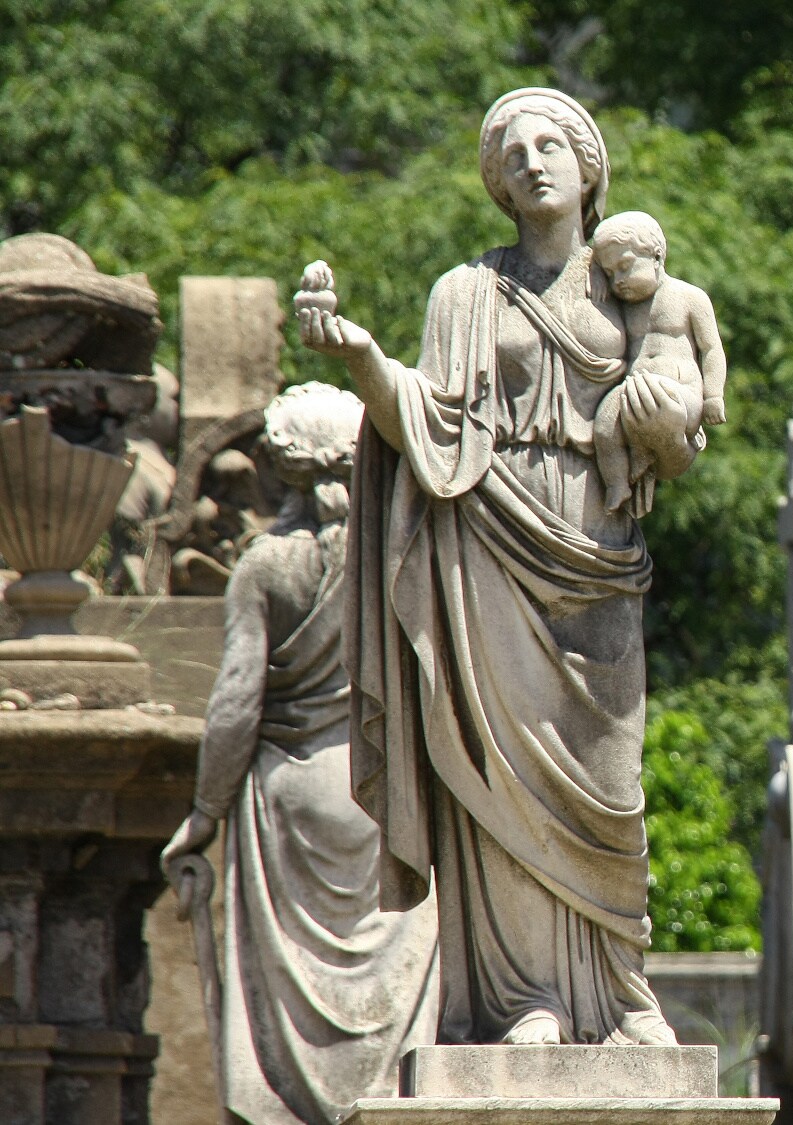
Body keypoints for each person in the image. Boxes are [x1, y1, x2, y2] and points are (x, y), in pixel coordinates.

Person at [295, 86, 689, 1046]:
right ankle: (529, 1001)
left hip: (597, 554)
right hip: (489, 547)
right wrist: (359, 355)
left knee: (609, 780)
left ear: (588, 164)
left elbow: (679, 419)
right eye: (512, 154)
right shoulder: (465, 293)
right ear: (497, 184)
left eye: (550, 144)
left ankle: (621, 989)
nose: (532, 163)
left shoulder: (631, 285)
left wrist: (664, 414)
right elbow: (428, 425)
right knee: (503, 778)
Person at [161, 383, 438, 1124]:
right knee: (393, 1027)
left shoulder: (266, 565)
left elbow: (235, 702)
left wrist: (203, 813)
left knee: (286, 1041)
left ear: (282, 469)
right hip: (389, 801)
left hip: (290, 799)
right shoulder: (406, 555)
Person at [588, 210, 727, 513]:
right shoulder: (623, 307)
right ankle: (617, 484)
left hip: (681, 394)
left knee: (662, 410)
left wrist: (713, 396)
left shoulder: (689, 297)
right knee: (603, 427)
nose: (619, 280)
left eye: (625, 267)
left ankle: (646, 452)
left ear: (656, 255)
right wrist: (597, 276)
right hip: (633, 391)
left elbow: (712, 349)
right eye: (611, 274)